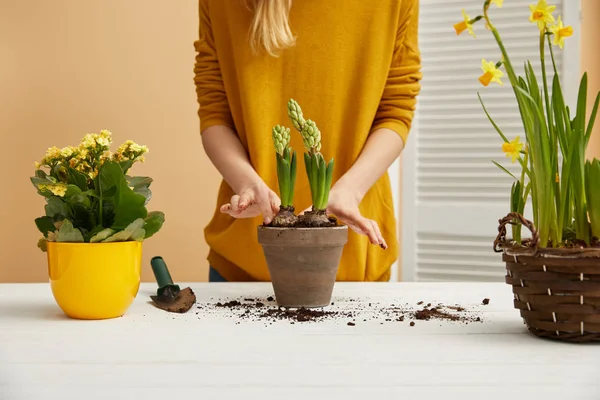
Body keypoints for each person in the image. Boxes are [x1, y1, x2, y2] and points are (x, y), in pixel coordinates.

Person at [194, 0, 421, 282]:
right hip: (245, 263)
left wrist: (349, 192)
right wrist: (247, 184)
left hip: (351, 257)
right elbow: (215, 114)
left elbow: (396, 111)